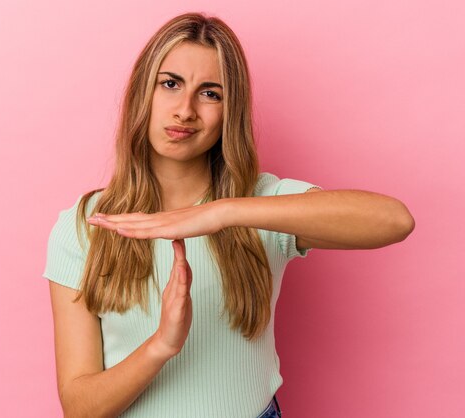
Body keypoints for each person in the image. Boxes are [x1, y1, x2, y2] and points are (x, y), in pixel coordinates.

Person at [42, 12, 415, 418]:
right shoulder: (85, 226)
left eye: (210, 93)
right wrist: (161, 346)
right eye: (170, 84)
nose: (185, 110)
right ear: (142, 94)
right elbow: (80, 408)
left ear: (229, 111)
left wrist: (223, 211)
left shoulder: (262, 204)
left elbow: (394, 220)